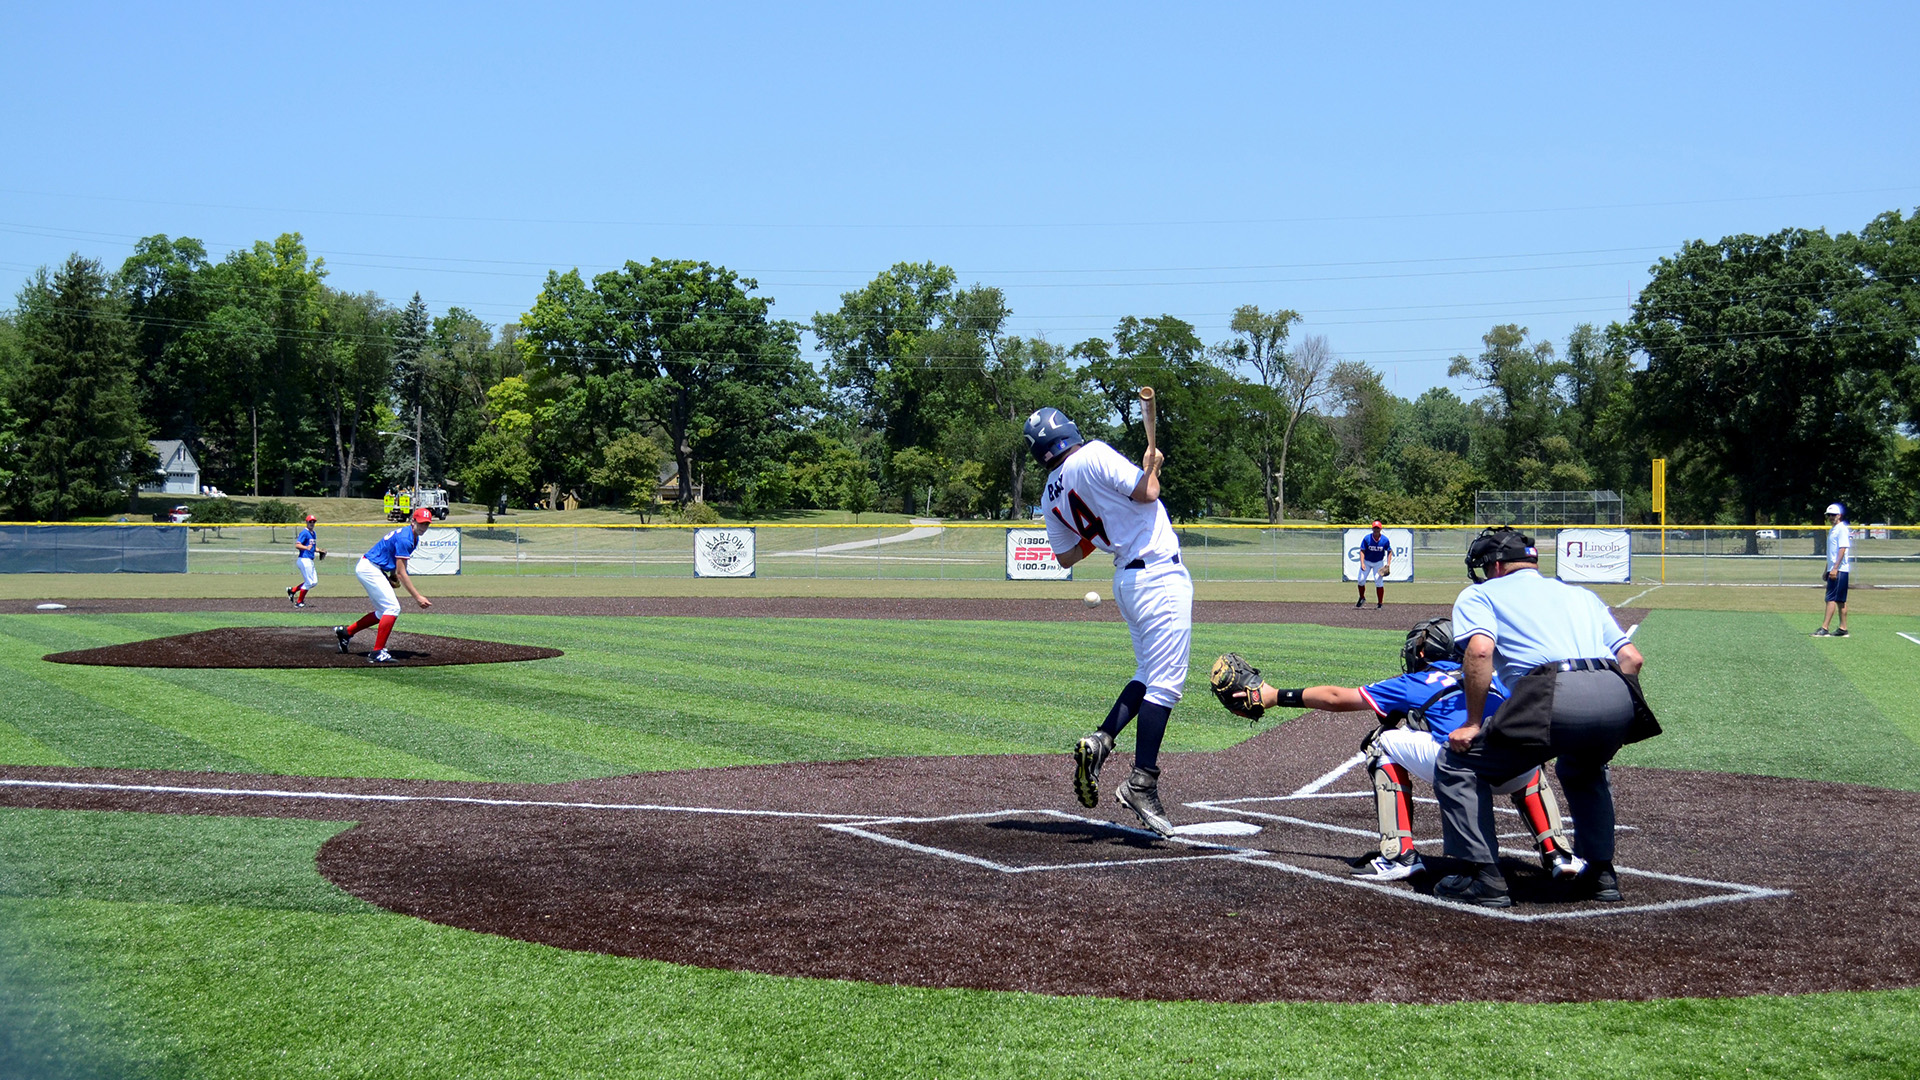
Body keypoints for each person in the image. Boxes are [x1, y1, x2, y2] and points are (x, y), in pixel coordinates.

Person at [1218, 618, 1582, 882]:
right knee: (1522, 748)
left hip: (1464, 770)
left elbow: (1336, 697)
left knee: (1382, 742)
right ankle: (1558, 851)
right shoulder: (1495, 675)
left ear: (1422, 652)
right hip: (1513, 771)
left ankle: (1399, 854)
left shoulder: (1417, 680)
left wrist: (1276, 697)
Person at [1429, 526, 1658, 908]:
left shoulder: (1480, 594)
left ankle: (1483, 877)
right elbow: (1632, 659)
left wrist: (1471, 723)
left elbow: (1480, 652)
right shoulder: (1579, 593)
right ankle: (1601, 875)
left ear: (1496, 566)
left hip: (1551, 688)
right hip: (1617, 694)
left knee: (1459, 764)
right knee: (1584, 768)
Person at [1029, 406, 1192, 837]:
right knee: (1166, 684)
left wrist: (1108, 522)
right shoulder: (1095, 453)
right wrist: (1151, 470)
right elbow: (1148, 494)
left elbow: (1066, 556)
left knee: (1148, 672)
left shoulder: (1050, 493)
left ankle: (1102, 740)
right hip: (1157, 573)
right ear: (1068, 432)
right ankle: (1142, 782)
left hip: (1125, 579)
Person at [335, 507, 434, 664]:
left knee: (383, 612)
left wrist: (391, 576)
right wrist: (417, 597)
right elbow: (402, 573)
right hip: (369, 568)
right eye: (421, 523)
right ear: (413, 521)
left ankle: (347, 632)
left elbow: (396, 565)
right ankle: (377, 652)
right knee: (392, 608)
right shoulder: (406, 539)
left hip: (372, 567)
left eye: (427, 524)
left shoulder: (411, 536)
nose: (424, 527)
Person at [1815, 502, 1851, 638]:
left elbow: (1842, 549)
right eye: (1829, 515)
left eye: (1833, 515)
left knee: (1830, 598)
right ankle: (1843, 629)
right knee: (1840, 600)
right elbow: (1832, 553)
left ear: (1839, 515)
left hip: (1840, 569)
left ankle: (1825, 628)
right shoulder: (1833, 529)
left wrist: (1835, 568)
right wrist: (1827, 569)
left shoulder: (1842, 529)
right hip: (1834, 568)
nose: (1831, 517)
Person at [286, 514, 325, 608]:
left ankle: (293, 590)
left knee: (314, 582)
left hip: (310, 560)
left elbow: (313, 547)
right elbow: (297, 545)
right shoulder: (304, 532)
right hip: (304, 559)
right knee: (309, 582)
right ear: (306, 522)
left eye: (313, 521)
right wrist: (306, 547)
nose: (312, 523)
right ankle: (299, 602)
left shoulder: (313, 533)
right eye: (310, 521)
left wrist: (319, 550)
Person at [1356, 520, 1392, 608]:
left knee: (1378, 582)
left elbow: (1389, 551)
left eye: (1378, 528)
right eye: (1374, 528)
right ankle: (1362, 597)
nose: (1376, 530)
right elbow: (1362, 551)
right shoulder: (1367, 538)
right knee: (1361, 580)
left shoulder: (1385, 540)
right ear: (1372, 529)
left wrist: (1388, 564)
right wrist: (1362, 563)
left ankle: (1380, 603)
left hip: (1378, 563)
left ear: (1380, 529)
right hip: (1367, 561)